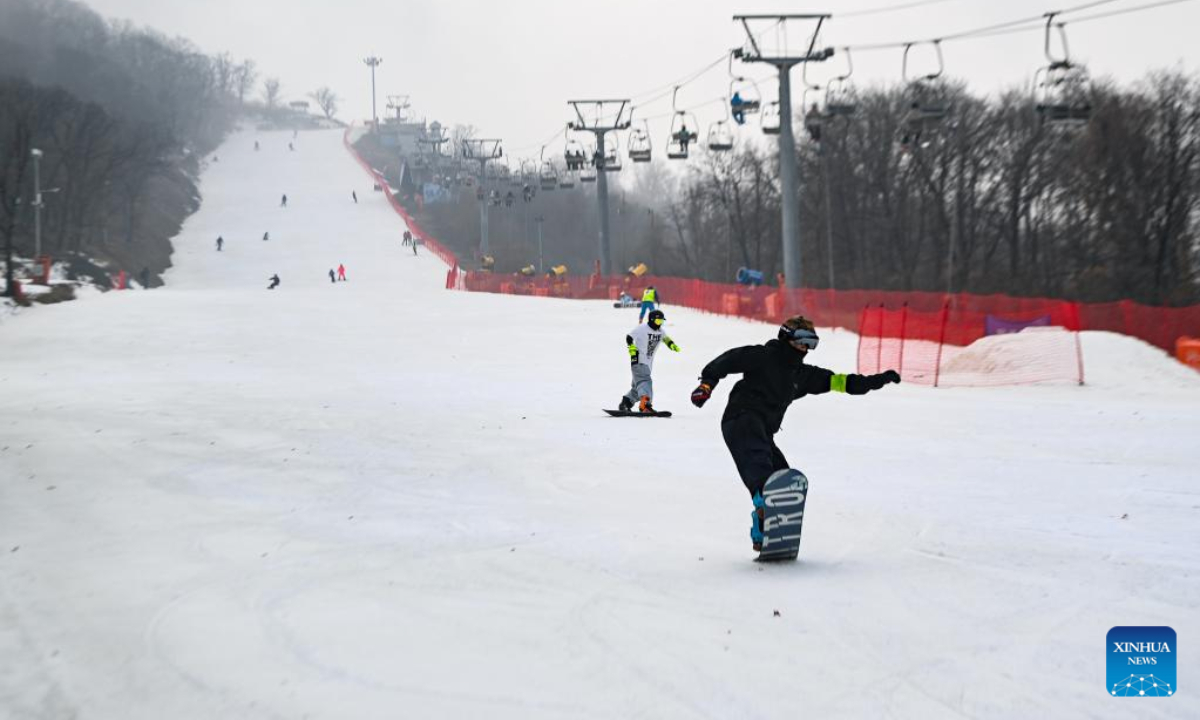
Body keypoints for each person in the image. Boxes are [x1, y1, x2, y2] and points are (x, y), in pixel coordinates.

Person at [689, 315, 901, 550]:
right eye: (801, 341)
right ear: (786, 337)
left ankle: (763, 529)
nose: (805, 348)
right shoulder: (763, 356)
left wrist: (876, 380)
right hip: (741, 418)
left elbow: (840, 382)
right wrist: (706, 385)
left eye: (811, 344)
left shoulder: (802, 375)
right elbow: (726, 361)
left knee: (782, 477)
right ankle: (763, 498)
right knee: (759, 464)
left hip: (763, 431)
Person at [619, 309, 680, 414]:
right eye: (658, 321)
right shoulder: (642, 328)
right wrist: (631, 347)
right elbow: (629, 337)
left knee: (638, 386)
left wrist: (671, 345)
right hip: (638, 359)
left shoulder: (660, 331)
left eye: (661, 322)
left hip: (647, 363)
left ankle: (626, 403)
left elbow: (665, 339)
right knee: (645, 382)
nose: (659, 324)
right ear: (652, 320)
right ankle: (645, 405)